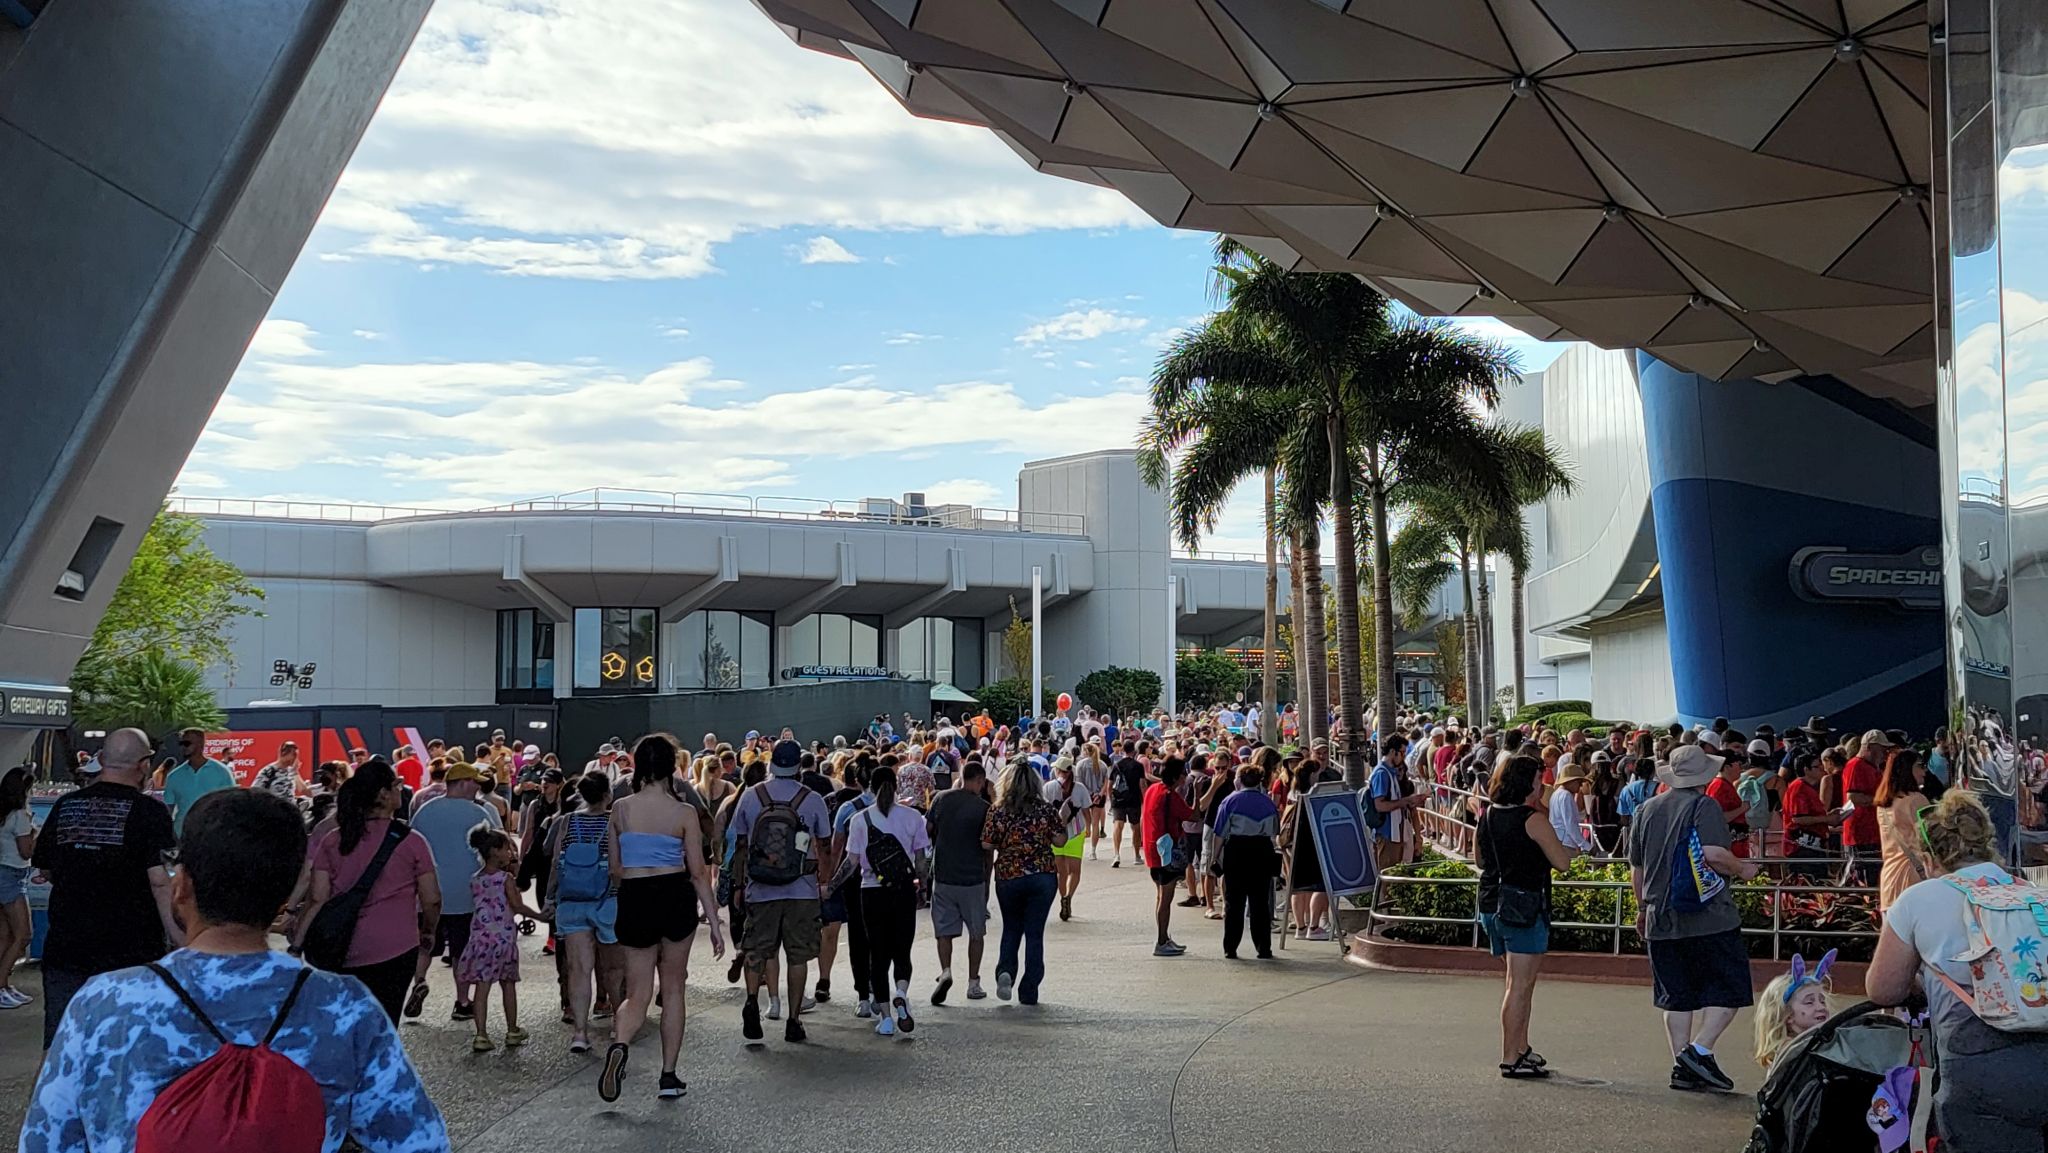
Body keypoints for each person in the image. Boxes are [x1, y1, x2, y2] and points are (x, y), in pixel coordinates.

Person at [20, 788, 447, 1153]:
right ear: (284, 897)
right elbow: (418, 1140)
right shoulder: (343, 1007)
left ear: (182, 886)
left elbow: (46, 1141)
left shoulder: (105, 1002)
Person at [1867, 790, 2048, 1151]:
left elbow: (1883, 990)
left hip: (1978, 1068)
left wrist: (1924, 979)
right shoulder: (2032, 892)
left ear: (1930, 856)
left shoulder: (1918, 901)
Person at [30, 728, 181, 1047]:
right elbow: (160, 880)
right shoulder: (149, 812)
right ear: (142, 765)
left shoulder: (66, 806)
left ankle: (50, 1099)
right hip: (129, 952)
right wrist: (179, 935)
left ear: (101, 760)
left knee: (61, 1045)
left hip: (66, 949)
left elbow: (44, 863)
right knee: (126, 1046)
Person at [1626, 743, 1760, 1094]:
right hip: (1708, 916)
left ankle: (1681, 1065)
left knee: (1676, 996)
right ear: (1705, 775)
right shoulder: (1705, 806)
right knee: (1730, 990)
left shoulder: (1646, 809)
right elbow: (1715, 854)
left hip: (1660, 916)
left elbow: (1636, 869)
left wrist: (1642, 909)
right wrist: (1742, 868)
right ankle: (1699, 1052)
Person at [599, 734, 725, 1100]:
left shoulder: (621, 809)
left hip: (635, 896)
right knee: (672, 989)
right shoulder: (684, 812)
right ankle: (668, 1076)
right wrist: (715, 924)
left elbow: (616, 868)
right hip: (675, 895)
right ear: (673, 767)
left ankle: (620, 1044)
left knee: (637, 992)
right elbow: (699, 872)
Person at [297, 759, 440, 1023]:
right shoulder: (412, 841)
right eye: (396, 785)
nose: (400, 790)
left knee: (347, 1024)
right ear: (384, 794)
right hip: (396, 948)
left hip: (341, 946)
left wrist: (297, 945)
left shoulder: (333, 839)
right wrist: (428, 932)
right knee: (384, 1025)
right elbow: (431, 899)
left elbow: (316, 898)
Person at [1477, 756, 1577, 1078]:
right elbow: (1562, 862)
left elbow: (1479, 859)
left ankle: (1521, 1047)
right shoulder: (1533, 820)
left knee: (1517, 982)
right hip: (1524, 906)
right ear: (1527, 783)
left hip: (1493, 901)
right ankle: (1510, 1056)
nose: (1543, 785)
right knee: (1520, 986)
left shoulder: (1488, 814)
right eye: (1538, 779)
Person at [731, 738, 832, 1044]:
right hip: (800, 889)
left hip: (761, 888)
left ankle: (752, 999)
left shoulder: (751, 796)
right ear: (799, 766)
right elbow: (824, 845)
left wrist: (738, 884)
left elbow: (740, 844)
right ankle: (794, 1019)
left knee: (757, 948)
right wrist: (823, 881)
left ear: (772, 763)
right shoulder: (812, 799)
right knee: (797, 956)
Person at [408, 761, 502, 1023]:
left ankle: (419, 981)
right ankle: (462, 1002)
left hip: (429, 893)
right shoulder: (480, 813)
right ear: (462, 783)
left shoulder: (424, 811)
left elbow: (411, 849)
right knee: (462, 949)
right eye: (475, 782)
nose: (478, 787)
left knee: (426, 942)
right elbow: (499, 850)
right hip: (468, 893)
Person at [846, 763, 931, 1036]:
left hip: (871, 890)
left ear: (870, 787)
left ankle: (884, 1017)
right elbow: (920, 859)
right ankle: (902, 993)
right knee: (902, 950)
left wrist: (829, 886)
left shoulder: (860, 820)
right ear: (897, 787)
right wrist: (924, 887)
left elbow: (851, 863)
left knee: (878, 954)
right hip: (903, 890)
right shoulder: (913, 817)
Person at [981, 757, 1064, 1002]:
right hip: (1042, 875)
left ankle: (1005, 972)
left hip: (1009, 875)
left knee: (1011, 927)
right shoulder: (1046, 809)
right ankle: (1029, 988)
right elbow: (1060, 840)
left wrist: (1005, 844)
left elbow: (986, 842)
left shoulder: (997, 810)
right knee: (1035, 932)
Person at [545, 772, 617, 1054]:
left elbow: (555, 862)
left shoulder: (567, 821)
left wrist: (551, 897)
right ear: (607, 794)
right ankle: (616, 1024)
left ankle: (580, 1033)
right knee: (613, 969)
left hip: (572, 901)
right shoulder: (614, 821)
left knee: (578, 969)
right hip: (608, 901)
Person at [457, 826, 544, 1051]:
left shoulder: (475, 879)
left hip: (480, 939)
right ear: (495, 851)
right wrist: (540, 916)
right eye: (507, 849)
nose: (510, 854)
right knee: (508, 985)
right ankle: (512, 1029)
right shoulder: (505, 879)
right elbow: (516, 905)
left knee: (482, 988)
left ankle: (481, 1034)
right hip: (503, 939)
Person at [926, 757, 992, 1003]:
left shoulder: (941, 799)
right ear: (979, 780)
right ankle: (973, 982)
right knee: (976, 933)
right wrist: (987, 879)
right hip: (972, 877)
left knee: (944, 930)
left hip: (943, 875)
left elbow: (928, 831)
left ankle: (945, 971)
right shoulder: (984, 808)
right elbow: (988, 848)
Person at [1212, 762, 1280, 960]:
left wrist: (1215, 857)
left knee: (1235, 902)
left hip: (1237, 851)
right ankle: (1263, 948)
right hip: (1262, 851)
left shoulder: (1230, 801)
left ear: (1239, 780)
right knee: (1260, 902)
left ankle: (1231, 947)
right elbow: (1274, 831)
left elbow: (1219, 833)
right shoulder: (1268, 803)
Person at [1141, 757, 1202, 957]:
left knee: (1161, 895)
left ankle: (1165, 937)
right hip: (1167, 852)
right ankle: (1161, 940)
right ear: (1177, 777)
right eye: (1183, 774)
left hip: (1153, 848)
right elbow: (1193, 816)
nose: (1185, 777)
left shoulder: (1153, 790)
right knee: (1166, 898)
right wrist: (1198, 794)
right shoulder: (1170, 796)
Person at [1874, 746, 1934, 913]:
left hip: (1889, 879)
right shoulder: (1916, 800)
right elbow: (1932, 839)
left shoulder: (1883, 805)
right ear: (1907, 770)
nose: (1924, 772)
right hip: (1913, 878)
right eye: (1920, 766)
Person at [1753, 951, 1836, 1070]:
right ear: (1788, 1015)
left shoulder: (1819, 1041)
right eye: (1809, 1002)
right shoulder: (1790, 1049)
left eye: (1822, 1001)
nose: (1821, 1007)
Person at [0, 766, 36, 1008]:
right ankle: (1, 984)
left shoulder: (4, 814)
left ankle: (3, 984)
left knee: (5, 935)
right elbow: (26, 852)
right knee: (24, 934)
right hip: (12, 877)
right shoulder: (20, 816)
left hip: (2, 872)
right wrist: (37, 835)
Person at [1367, 735, 1427, 873]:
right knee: (1388, 875)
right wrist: (1405, 801)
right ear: (1394, 752)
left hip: (1396, 833)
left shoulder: (1390, 773)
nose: (1403, 757)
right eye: (1403, 753)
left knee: (1396, 875)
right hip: (1387, 833)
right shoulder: (1382, 774)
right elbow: (1380, 805)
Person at [162, 727, 237, 836]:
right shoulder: (174, 776)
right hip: (182, 836)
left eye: (187, 743)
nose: (183, 747)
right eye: (181, 743)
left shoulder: (222, 772)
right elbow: (168, 809)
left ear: (200, 744)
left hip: (213, 835)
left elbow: (231, 804)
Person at [1839, 729, 1890, 885]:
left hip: (1869, 833)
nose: (1884, 753)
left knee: (1871, 877)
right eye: (1881, 748)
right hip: (1860, 835)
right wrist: (1881, 800)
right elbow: (1853, 797)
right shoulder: (1856, 765)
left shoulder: (1870, 767)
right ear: (1870, 747)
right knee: (1863, 880)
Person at [1044, 756, 1090, 921]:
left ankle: (1063, 896)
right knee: (1075, 871)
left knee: (1060, 872)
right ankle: (1069, 897)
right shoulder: (1080, 788)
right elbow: (1086, 811)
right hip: (1076, 833)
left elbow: (1044, 811)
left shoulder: (1048, 788)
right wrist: (1089, 828)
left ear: (1058, 770)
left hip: (1055, 834)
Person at [1107, 740, 1147, 866]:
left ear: (1123, 750)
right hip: (1133, 799)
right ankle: (1136, 855)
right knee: (1135, 828)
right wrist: (1144, 800)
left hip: (1118, 799)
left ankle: (1117, 854)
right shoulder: (1138, 765)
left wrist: (1111, 799)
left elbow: (1110, 784)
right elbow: (1142, 785)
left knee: (1118, 826)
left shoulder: (1117, 765)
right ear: (1134, 751)